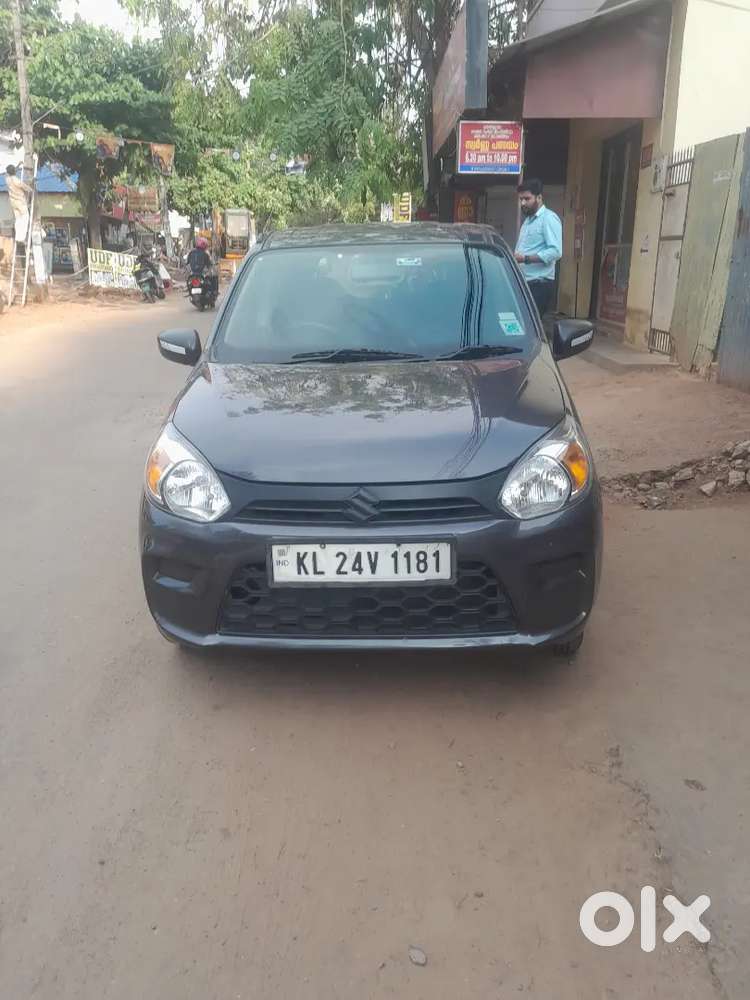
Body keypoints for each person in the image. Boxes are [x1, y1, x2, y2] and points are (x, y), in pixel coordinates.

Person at [514, 178, 562, 319]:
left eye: (527, 199)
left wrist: (526, 259)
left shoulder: (548, 218)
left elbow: (555, 251)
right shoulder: (528, 221)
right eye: (521, 199)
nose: (523, 203)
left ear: (539, 197)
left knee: (530, 325)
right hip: (524, 283)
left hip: (539, 285)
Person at [5, 164, 33, 247]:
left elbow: (11, 172)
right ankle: (22, 238)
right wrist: (31, 189)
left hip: (13, 202)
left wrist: (19, 165)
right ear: (14, 172)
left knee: (18, 220)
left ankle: (18, 237)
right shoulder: (16, 181)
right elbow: (24, 186)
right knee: (25, 218)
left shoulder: (7, 179)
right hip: (20, 202)